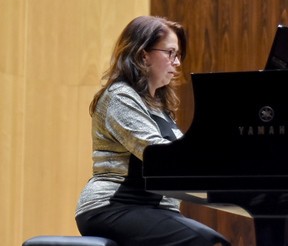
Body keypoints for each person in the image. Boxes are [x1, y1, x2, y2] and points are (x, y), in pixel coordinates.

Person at [75, 15, 230, 246]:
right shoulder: (120, 96)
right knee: (207, 242)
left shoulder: (158, 107)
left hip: (152, 208)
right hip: (114, 205)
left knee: (213, 240)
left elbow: (183, 156)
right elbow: (157, 155)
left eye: (178, 55)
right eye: (170, 53)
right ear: (142, 54)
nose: (177, 63)